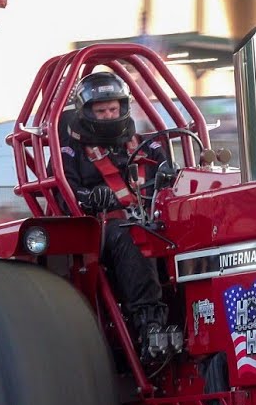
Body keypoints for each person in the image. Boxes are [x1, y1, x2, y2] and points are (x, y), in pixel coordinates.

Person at [59, 71, 179, 362]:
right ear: (85, 112)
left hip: (152, 218)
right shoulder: (70, 152)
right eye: (101, 111)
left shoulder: (146, 145)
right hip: (101, 229)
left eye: (114, 108)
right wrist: (89, 199)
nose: (109, 115)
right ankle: (149, 325)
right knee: (132, 233)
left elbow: (173, 180)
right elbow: (65, 196)